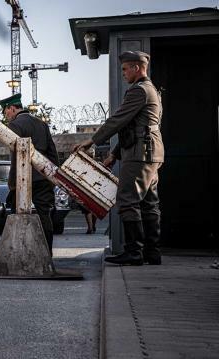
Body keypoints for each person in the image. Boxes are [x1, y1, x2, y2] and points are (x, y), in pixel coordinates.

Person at [73, 50, 164, 266]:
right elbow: (132, 126)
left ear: (137, 68)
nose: (123, 73)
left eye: (125, 69)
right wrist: (114, 154)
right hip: (150, 153)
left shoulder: (139, 91)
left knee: (126, 200)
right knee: (149, 203)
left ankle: (134, 252)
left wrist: (92, 141)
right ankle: (152, 252)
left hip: (140, 153)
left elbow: (118, 121)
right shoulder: (151, 91)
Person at [0, 93, 59, 256]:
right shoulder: (42, 124)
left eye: (6, 112)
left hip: (23, 179)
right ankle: (47, 254)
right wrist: (53, 178)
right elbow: (53, 154)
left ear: (12, 108)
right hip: (43, 177)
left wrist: (12, 183)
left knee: (17, 214)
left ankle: (18, 253)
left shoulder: (15, 126)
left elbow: (15, 158)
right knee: (44, 215)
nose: (6, 116)